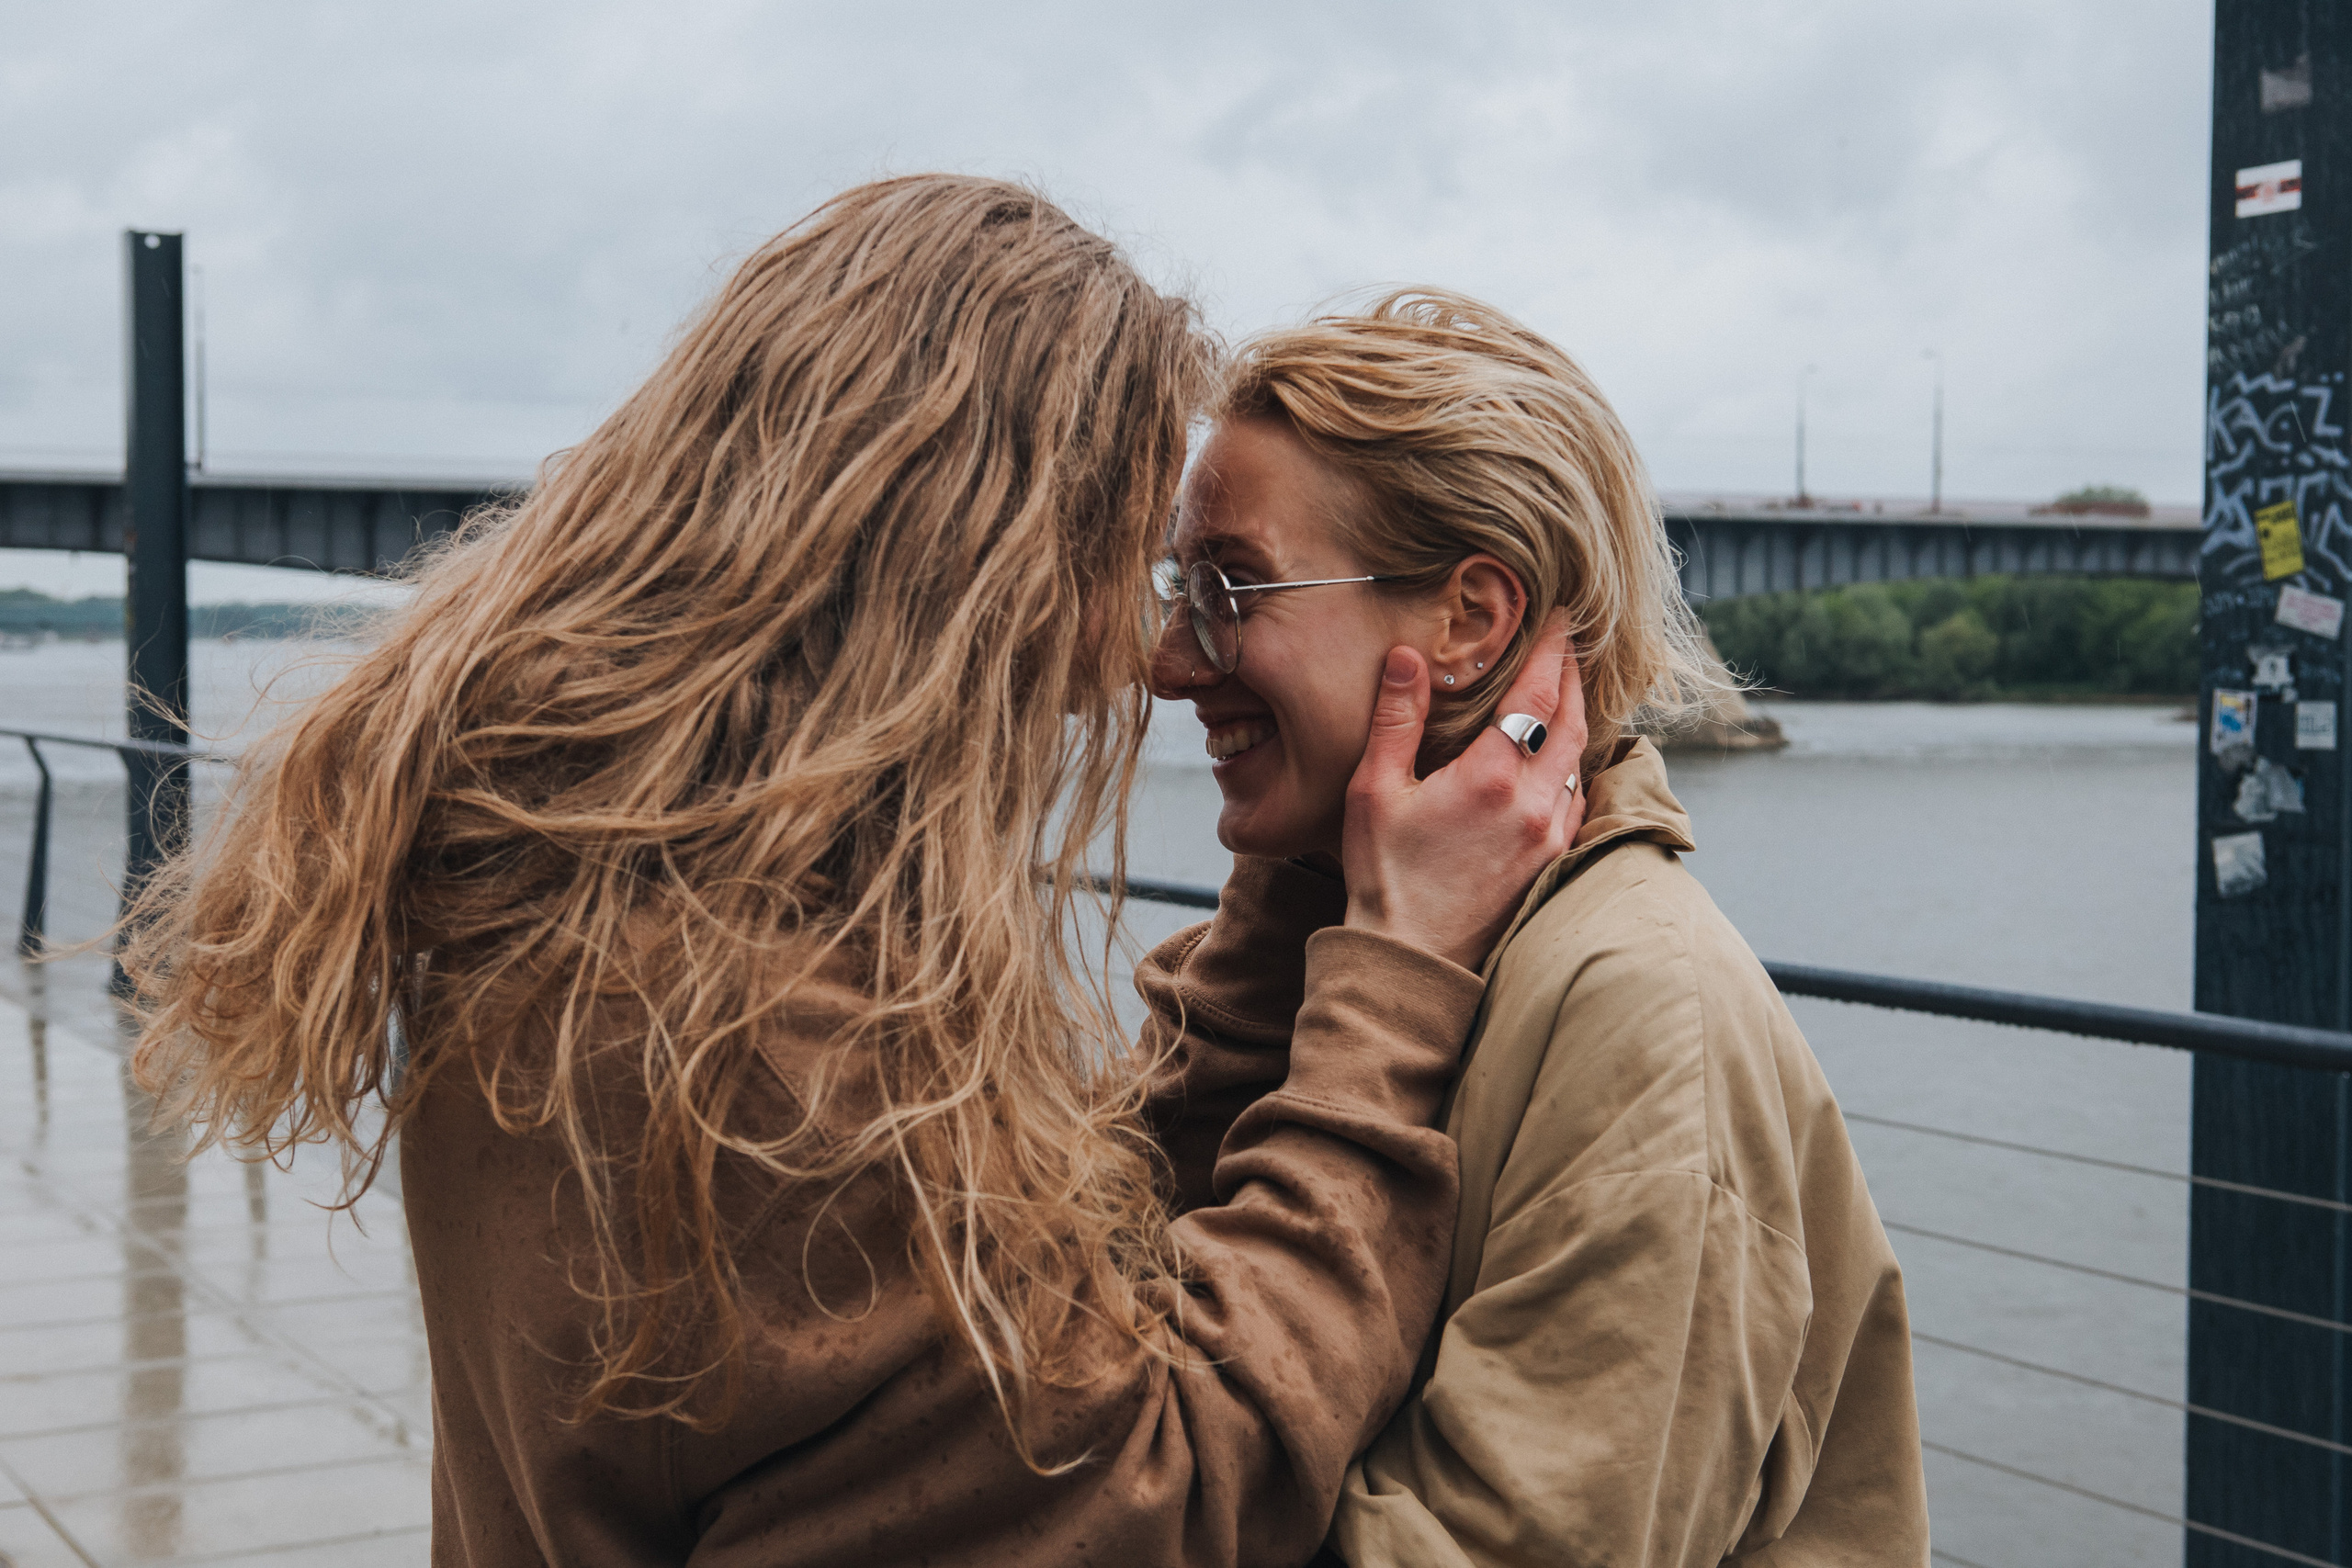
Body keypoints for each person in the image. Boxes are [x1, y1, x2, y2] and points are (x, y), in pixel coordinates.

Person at [123, 182, 1586, 1566]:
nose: (1142, 657)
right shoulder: (766, 1060)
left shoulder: (577, 888)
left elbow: (1029, 1320)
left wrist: (1298, 874)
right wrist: (1391, 980)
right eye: (1117, 571)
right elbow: (1170, 1492)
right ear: (966, 572)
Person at [1148, 289, 1930, 1566]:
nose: (1169, 659)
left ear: (1468, 621)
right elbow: (1132, 1362)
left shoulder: (1640, 1010)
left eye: (1233, 590)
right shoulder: (1347, 940)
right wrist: (1298, 903)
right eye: (1181, 587)